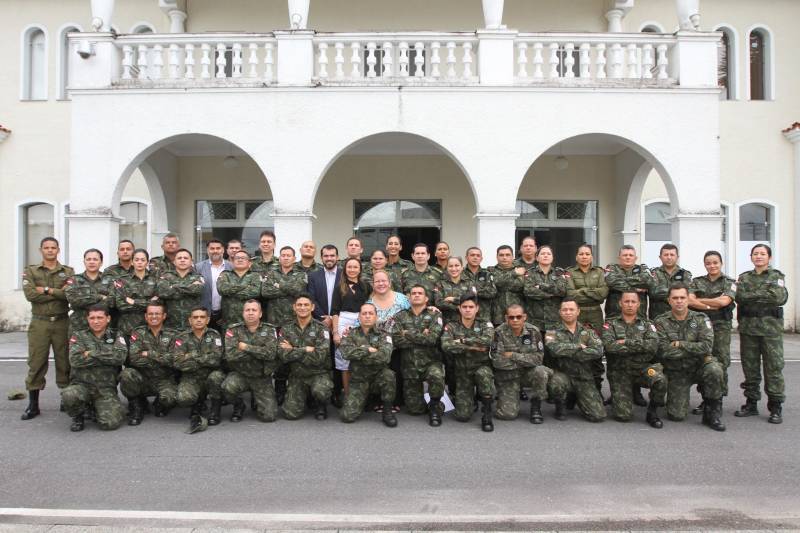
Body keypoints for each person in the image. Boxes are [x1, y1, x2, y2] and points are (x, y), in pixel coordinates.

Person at [654, 284, 725, 431]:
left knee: (714, 370)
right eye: (675, 298)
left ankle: (711, 412)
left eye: (682, 297)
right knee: (676, 415)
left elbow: (706, 347)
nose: (679, 301)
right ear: (669, 301)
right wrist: (693, 348)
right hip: (676, 371)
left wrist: (680, 344)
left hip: (699, 366)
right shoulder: (661, 321)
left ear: (688, 300)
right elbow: (663, 350)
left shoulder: (701, 318)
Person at [21, 237, 75, 420]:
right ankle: (33, 405)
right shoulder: (31, 270)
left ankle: (66, 399)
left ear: (58, 250)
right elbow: (30, 295)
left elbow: (69, 295)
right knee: (36, 362)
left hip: (62, 322)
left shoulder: (68, 271)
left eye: (53, 248)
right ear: (41, 250)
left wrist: (44, 290)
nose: (50, 250)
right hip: (40, 323)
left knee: (65, 362)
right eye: (47, 248)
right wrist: (56, 292)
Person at [733, 244, 788, 424]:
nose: (759, 257)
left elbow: (779, 297)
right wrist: (763, 293)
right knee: (750, 368)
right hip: (749, 329)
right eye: (755, 254)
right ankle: (751, 403)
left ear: (769, 257)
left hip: (770, 331)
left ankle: (775, 406)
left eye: (762, 254)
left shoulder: (776, 276)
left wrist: (751, 294)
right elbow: (738, 296)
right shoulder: (744, 277)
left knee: (773, 368)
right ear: (751, 257)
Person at [600, 291, 665, 428]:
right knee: (623, 416)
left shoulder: (648, 324)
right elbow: (609, 347)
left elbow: (652, 346)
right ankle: (619, 397)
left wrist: (624, 342)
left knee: (660, 379)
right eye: (626, 301)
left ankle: (652, 412)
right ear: (620, 303)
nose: (630, 304)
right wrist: (640, 345)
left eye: (633, 302)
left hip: (642, 368)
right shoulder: (610, 324)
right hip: (620, 371)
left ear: (639, 304)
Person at [61, 305, 126, 432]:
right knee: (69, 394)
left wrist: (89, 353)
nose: (96, 321)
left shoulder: (116, 335)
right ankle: (78, 415)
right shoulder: (78, 336)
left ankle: (97, 408)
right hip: (82, 386)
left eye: (100, 318)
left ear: (108, 319)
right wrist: (106, 354)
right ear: (87, 319)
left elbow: (120, 357)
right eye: (92, 318)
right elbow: (75, 360)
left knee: (110, 424)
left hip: (105, 389)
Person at [604, 244, 655, 407]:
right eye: (624, 255)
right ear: (619, 257)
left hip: (638, 319)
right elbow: (611, 282)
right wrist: (636, 287)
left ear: (635, 257)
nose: (627, 257)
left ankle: (636, 391)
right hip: (615, 319)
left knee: (636, 355)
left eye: (630, 255)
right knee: (615, 357)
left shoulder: (643, 269)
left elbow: (649, 282)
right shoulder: (611, 268)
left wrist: (625, 283)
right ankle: (616, 392)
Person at [688, 250, 736, 415]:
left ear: (721, 263)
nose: (712, 265)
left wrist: (700, 301)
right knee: (703, 360)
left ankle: (718, 400)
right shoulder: (697, 281)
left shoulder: (729, 282)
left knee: (721, 362)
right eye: (708, 263)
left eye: (715, 262)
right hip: (702, 326)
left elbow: (725, 301)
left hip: (721, 326)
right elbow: (689, 300)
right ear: (705, 264)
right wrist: (711, 305)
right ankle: (705, 399)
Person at [391, 285, 446, 426]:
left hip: (430, 362)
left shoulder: (435, 315)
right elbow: (396, 340)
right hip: (409, 366)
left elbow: (432, 339)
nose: (416, 295)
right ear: (409, 297)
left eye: (420, 293)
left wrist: (407, 333)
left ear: (426, 298)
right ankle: (426, 404)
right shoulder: (400, 316)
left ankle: (435, 405)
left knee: (436, 375)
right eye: (413, 293)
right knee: (415, 410)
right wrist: (422, 335)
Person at [544, 299, 606, 423]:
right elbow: (554, 350)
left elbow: (598, 350)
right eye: (564, 310)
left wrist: (570, 352)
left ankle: (574, 396)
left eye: (571, 309)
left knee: (598, 416)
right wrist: (579, 347)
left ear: (578, 311)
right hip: (563, 375)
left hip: (584, 377)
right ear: (560, 312)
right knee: (556, 382)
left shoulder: (588, 331)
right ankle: (560, 404)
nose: (568, 312)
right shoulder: (552, 331)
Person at [441, 294, 496, 432]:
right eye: (464, 307)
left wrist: (462, 341)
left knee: (484, 375)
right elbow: (446, 346)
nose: (467, 310)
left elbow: (488, 341)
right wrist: (474, 346)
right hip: (462, 371)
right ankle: (471, 400)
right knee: (462, 416)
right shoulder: (452, 326)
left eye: (471, 307)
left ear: (477, 308)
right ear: (459, 308)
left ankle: (487, 413)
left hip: (481, 366)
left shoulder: (485, 323)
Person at [119, 301, 178, 425]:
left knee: (169, 398)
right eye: (150, 314)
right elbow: (134, 358)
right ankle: (137, 406)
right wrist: (161, 359)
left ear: (164, 316)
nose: (154, 316)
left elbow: (174, 359)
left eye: (157, 314)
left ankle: (160, 402)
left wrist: (149, 354)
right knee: (127, 374)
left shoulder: (173, 334)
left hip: (164, 379)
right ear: (146, 316)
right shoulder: (138, 333)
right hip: (143, 378)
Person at [491, 304, 552, 424]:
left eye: (518, 317)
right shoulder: (498, 332)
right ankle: (513, 394)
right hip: (508, 377)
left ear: (524, 317)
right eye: (511, 317)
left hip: (527, 374)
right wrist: (526, 361)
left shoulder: (533, 331)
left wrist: (513, 356)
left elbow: (538, 359)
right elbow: (497, 361)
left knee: (540, 371)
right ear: (506, 318)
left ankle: (536, 405)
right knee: (507, 415)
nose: (515, 320)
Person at [221, 300, 280, 422]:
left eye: (254, 310)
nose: (250, 313)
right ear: (243, 313)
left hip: (261, 377)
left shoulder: (270, 330)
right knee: (227, 387)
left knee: (269, 417)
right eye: (247, 310)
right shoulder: (233, 330)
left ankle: (257, 397)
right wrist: (259, 351)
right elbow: (231, 355)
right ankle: (239, 404)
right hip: (241, 374)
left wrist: (245, 347)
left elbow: (270, 354)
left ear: (260, 314)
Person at [339, 303, 397, 427]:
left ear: (376, 317)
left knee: (389, 375)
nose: (367, 316)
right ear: (359, 316)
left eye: (370, 313)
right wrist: (368, 349)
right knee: (347, 417)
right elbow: (345, 353)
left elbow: (385, 356)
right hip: (358, 380)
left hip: (378, 377)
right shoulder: (350, 334)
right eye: (364, 313)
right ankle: (366, 399)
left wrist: (358, 352)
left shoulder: (384, 334)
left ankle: (387, 411)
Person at [279, 295, 334, 421]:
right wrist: (306, 349)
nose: (302, 307)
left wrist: (293, 349)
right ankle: (306, 397)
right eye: (299, 305)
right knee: (290, 414)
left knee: (321, 390)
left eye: (306, 305)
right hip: (297, 375)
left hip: (318, 374)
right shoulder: (286, 328)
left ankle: (320, 404)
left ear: (312, 307)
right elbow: (282, 355)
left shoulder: (322, 328)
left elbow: (319, 356)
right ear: (294, 307)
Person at [172, 306, 226, 430]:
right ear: (190, 320)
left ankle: (215, 409)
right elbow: (177, 362)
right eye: (195, 317)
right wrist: (204, 358)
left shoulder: (214, 335)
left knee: (216, 377)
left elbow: (216, 360)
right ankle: (198, 403)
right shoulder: (182, 337)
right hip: (191, 377)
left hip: (210, 374)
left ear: (207, 320)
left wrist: (190, 356)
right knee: (183, 398)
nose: (199, 320)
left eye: (202, 317)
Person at [566, 243, 608, 397]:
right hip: (577, 314)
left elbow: (602, 293)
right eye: (581, 254)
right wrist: (592, 292)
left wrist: (582, 291)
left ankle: (597, 389)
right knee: (576, 347)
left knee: (595, 349)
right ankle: (573, 392)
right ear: (577, 256)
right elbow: (570, 294)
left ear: (591, 256)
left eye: (587, 254)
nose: (584, 256)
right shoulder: (569, 272)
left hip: (595, 313)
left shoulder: (599, 272)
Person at [366, 270, 411, 411]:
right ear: (373, 284)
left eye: (383, 281)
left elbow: (416, 311)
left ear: (390, 283)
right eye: (377, 281)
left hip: (398, 344)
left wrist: (431, 308)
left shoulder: (402, 299)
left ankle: (396, 401)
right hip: (378, 345)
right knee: (380, 372)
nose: (381, 284)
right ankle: (379, 400)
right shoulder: (369, 303)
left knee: (396, 370)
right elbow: (362, 321)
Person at [433, 256, 476, 395]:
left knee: (466, 360)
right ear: (447, 268)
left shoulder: (469, 282)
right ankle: (452, 391)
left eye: (457, 265)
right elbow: (439, 302)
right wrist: (462, 304)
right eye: (451, 266)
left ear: (462, 267)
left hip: (467, 326)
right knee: (449, 361)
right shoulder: (440, 283)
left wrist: (453, 299)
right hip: (448, 327)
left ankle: (469, 392)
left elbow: (473, 300)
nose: (454, 268)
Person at [306, 244, 342, 404]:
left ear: (337, 257)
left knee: (337, 358)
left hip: (340, 322)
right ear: (322, 258)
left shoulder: (344, 274)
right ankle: (317, 394)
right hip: (319, 322)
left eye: (332, 255)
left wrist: (334, 318)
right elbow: (311, 298)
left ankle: (337, 392)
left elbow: (345, 298)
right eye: (326, 256)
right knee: (320, 357)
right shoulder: (313, 276)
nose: (329, 258)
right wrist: (323, 318)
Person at [331, 258, 369, 398]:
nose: (352, 269)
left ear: (360, 269)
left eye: (355, 267)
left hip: (362, 321)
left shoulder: (366, 286)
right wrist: (335, 332)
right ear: (345, 269)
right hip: (343, 322)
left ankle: (362, 395)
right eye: (349, 267)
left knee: (361, 356)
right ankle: (348, 395)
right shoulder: (339, 287)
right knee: (345, 360)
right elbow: (334, 311)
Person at [65, 248, 112, 333]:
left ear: (101, 263)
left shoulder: (109, 280)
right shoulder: (75, 280)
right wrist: (100, 297)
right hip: (78, 327)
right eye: (88, 259)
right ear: (84, 262)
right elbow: (73, 300)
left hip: (103, 328)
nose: (91, 262)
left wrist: (84, 299)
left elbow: (112, 301)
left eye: (95, 259)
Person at [157, 248, 204, 331]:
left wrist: (173, 287)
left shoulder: (198, 277)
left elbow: (197, 290)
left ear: (191, 261)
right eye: (179, 258)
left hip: (192, 326)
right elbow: (163, 292)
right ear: (174, 262)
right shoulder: (166, 276)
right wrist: (189, 288)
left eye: (185, 258)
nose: (182, 260)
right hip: (170, 326)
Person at [113, 248, 158, 337]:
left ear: (147, 262)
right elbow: (121, 305)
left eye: (143, 260)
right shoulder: (122, 280)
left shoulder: (156, 280)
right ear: (132, 262)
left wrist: (133, 301)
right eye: (136, 260)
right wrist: (148, 303)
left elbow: (158, 304)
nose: (139, 262)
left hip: (150, 327)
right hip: (128, 327)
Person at [522, 245, 567, 332]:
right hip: (534, 322)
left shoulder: (559, 273)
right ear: (537, 258)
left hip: (554, 322)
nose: (546, 256)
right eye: (542, 254)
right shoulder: (530, 273)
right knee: (536, 345)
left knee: (552, 345)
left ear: (552, 257)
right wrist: (552, 294)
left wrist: (541, 286)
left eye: (548, 254)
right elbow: (528, 291)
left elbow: (562, 291)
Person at [261, 246, 308, 327]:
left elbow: (298, 291)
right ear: (279, 258)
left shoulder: (301, 274)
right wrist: (289, 290)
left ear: (294, 258)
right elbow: (265, 292)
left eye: (288, 256)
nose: (285, 258)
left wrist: (278, 285)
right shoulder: (270, 273)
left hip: (294, 320)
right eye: (283, 255)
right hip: (273, 320)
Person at [216, 250, 261, 328]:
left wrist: (231, 290)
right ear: (232, 262)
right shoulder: (225, 274)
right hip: (228, 321)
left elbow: (256, 291)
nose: (240, 260)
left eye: (243, 258)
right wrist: (245, 286)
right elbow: (222, 289)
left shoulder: (255, 275)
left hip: (249, 322)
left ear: (249, 263)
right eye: (237, 258)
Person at [195, 239, 232, 330]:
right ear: (208, 250)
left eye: (218, 248)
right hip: (204, 313)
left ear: (223, 250)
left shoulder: (231, 267)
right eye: (212, 248)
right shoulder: (198, 267)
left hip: (225, 313)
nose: (215, 251)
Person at [649, 244, 692, 319]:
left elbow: (686, 294)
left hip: (680, 319)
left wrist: (662, 291)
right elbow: (654, 292)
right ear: (660, 257)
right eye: (666, 255)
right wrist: (676, 292)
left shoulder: (685, 274)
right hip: (657, 319)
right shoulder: (653, 273)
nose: (669, 257)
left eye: (672, 255)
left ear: (677, 257)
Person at [490, 245, 525, 326]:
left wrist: (502, 283)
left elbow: (521, 286)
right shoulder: (490, 271)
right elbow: (495, 283)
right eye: (501, 255)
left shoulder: (522, 270)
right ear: (497, 257)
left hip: (517, 316)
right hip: (497, 316)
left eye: (507, 255)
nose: (504, 257)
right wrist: (514, 274)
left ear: (512, 256)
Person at [462, 246, 497, 323]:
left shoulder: (487, 274)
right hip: (465, 315)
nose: (475, 258)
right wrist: (481, 292)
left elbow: (492, 292)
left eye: (478, 256)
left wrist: (474, 292)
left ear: (481, 259)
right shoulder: (460, 273)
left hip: (484, 315)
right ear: (466, 258)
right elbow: (459, 292)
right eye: (472, 255)